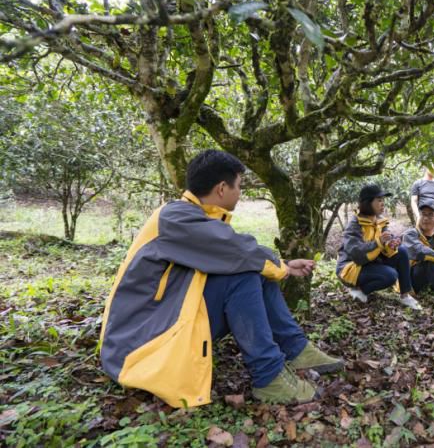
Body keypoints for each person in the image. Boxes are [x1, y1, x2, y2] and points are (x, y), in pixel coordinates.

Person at [100, 150, 343, 407]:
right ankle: (269, 376)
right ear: (221, 188)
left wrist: (282, 265)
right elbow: (235, 250)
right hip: (138, 344)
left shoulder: (194, 216)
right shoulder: (173, 218)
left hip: (166, 318)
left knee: (253, 271)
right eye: (239, 186)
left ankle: (296, 349)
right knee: (245, 274)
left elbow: (233, 248)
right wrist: (281, 267)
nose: (240, 193)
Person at [336, 184, 422, 310]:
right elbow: (356, 254)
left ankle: (405, 295)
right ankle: (360, 289)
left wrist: (391, 244)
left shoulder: (380, 221)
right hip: (352, 266)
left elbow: (385, 241)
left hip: (371, 261)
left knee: (402, 251)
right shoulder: (355, 224)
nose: (383, 204)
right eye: (379, 200)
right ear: (367, 203)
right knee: (390, 276)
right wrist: (379, 242)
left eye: (383, 200)